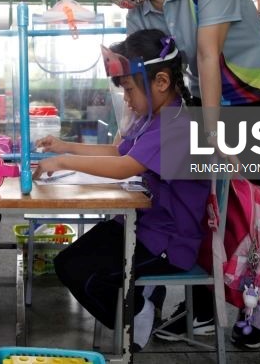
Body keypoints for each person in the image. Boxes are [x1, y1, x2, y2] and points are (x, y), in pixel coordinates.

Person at [87, 0, 260, 349]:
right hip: (207, 97)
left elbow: (206, 54)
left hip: (259, 94)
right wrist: (130, 131)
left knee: (249, 208)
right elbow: (147, 76)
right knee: (200, 202)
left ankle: (251, 309)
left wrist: (214, 135)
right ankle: (201, 308)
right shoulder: (140, 11)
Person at [32, 30, 210, 351]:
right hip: (141, 226)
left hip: (168, 243)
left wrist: (62, 161)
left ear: (161, 82)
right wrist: (64, 146)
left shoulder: (177, 125)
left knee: (83, 275)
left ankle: (136, 311)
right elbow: (119, 152)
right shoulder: (155, 117)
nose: (126, 99)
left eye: (129, 89)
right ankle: (137, 301)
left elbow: (125, 166)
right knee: (67, 263)